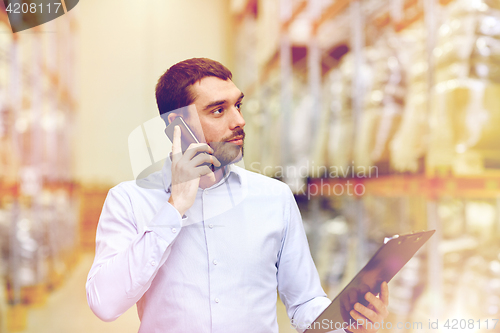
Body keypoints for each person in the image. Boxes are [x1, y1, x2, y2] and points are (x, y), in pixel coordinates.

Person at [86, 58, 389, 333]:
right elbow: (105, 304)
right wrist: (173, 208)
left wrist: (348, 324)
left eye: (238, 106)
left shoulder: (274, 197)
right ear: (177, 125)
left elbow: (305, 301)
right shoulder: (129, 200)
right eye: (219, 110)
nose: (239, 121)